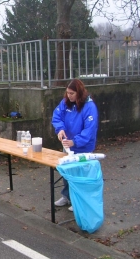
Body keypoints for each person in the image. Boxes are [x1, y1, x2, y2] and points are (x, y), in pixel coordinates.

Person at [51, 79, 98, 211]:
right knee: (67, 172)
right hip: (68, 145)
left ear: (79, 92)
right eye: (67, 93)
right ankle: (67, 196)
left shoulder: (89, 107)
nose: (69, 96)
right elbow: (57, 116)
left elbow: (89, 130)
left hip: (82, 147)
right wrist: (60, 129)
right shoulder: (66, 102)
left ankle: (79, 200)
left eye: (72, 93)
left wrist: (75, 141)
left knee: (80, 175)